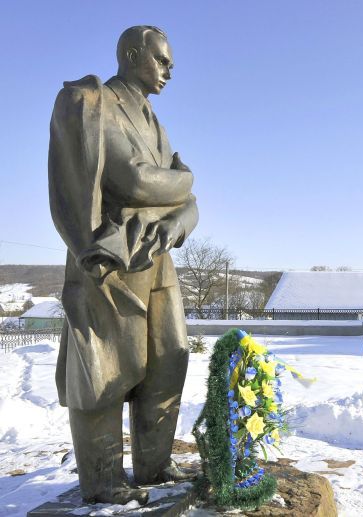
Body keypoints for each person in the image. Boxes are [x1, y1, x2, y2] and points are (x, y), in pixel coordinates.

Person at [49, 26, 199, 505]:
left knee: (169, 357)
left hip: (158, 256)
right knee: (106, 371)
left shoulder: (152, 118)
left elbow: (184, 196)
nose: (169, 71)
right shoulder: (95, 105)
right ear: (133, 55)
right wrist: (183, 182)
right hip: (111, 260)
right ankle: (103, 480)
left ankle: (154, 467)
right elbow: (131, 179)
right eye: (161, 60)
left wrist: (180, 203)